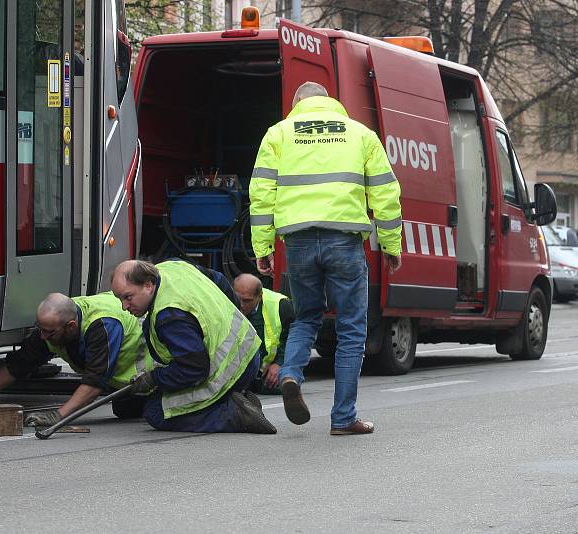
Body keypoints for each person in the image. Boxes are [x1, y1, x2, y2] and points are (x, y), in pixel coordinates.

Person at [249, 81, 403, 435]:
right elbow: (385, 192)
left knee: (305, 318)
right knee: (351, 330)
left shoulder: (278, 134)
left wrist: (263, 248)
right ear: (330, 101)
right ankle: (343, 418)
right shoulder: (360, 134)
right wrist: (392, 245)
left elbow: (261, 194)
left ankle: (290, 374)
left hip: (298, 243)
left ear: (297, 103)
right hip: (344, 242)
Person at [110, 259, 276, 434]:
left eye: (128, 297)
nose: (124, 306)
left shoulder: (169, 316)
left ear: (149, 285)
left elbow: (194, 369)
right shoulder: (172, 266)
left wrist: (154, 379)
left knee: (156, 411)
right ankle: (235, 400)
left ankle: (236, 414)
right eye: (120, 299)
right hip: (249, 352)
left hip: (229, 370)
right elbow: (219, 279)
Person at [0, 292, 152, 426]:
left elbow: (95, 380)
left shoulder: (103, 325)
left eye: (48, 333)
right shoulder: (55, 323)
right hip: (127, 383)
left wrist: (59, 415)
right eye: (40, 329)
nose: (43, 337)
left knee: (144, 413)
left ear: (70, 327)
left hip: (153, 376)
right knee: (125, 410)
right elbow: (18, 364)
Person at [232, 273, 293, 395]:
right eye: (238, 299)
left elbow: (293, 338)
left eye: (247, 301)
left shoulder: (280, 305)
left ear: (259, 297)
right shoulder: (223, 301)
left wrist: (280, 363)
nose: (242, 305)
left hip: (266, 368)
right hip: (237, 367)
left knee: (279, 386)